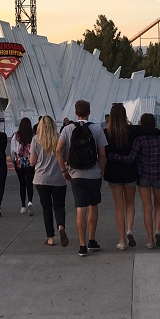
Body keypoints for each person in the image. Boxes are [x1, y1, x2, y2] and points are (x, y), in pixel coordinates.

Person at [106, 113, 160, 249]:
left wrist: (113, 156)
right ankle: (157, 230)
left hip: (144, 177)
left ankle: (149, 241)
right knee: (159, 206)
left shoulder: (140, 140)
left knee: (147, 208)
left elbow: (131, 158)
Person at [56, 99, 107, 257]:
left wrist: (64, 169)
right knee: (93, 206)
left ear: (76, 112)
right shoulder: (97, 129)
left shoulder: (68, 129)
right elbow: (103, 154)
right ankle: (92, 240)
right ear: (89, 112)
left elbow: (58, 150)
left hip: (76, 174)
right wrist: (102, 171)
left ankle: (82, 245)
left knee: (80, 209)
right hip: (93, 174)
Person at [103, 103, 139, 250]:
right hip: (130, 170)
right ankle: (130, 229)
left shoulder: (107, 133)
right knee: (130, 203)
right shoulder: (132, 130)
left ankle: (122, 241)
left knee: (119, 206)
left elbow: (103, 153)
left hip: (113, 171)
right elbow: (154, 131)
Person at [30, 116, 69, 247]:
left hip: (41, 179)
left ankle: (50, 238)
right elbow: (66, 157)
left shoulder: (36, 139)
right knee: (59, 206)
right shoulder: (60, 138)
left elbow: (32, 161)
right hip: (58, 177)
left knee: (46, 208)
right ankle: (61, 227)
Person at [12, 117, 35, 215]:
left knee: (22, 184)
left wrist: (14, 161)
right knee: (30, 183)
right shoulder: (33, 136)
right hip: (30, 163)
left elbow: (13, 150)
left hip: (19, 163)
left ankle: (23, 206)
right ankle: (30, 201)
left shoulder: (16, 136)